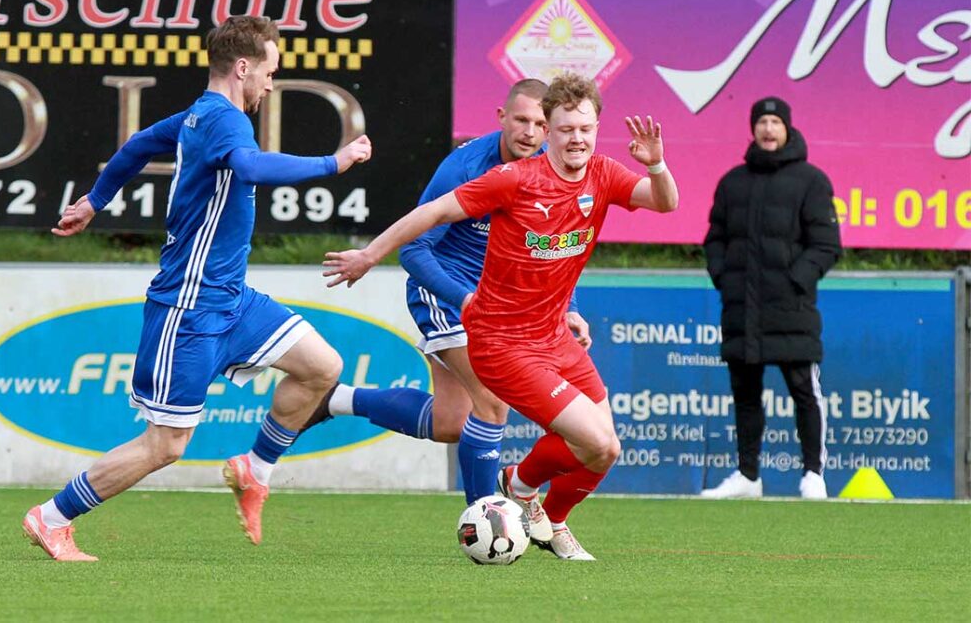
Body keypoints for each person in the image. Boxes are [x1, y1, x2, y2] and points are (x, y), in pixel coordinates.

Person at [22, 15, 386, 561]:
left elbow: (136, 146)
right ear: (243, 68)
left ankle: (253, 469)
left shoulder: (199, 116)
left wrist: (95, 201)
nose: (270, 84)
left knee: (322, 366)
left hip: (231, 299)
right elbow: (250, 166)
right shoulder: (226, 122)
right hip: (188, 308)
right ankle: (51, 518)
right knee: (165, 445)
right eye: (269, 72)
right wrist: (336, 161)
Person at [322, 73, 679, 559]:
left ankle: (543, 510)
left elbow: (665, 202)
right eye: (565, 129)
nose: (576, 138)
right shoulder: (515, 179)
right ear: (549, 132)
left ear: (597, 129)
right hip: (502, 342)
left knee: (606, 449)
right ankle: (519, 489)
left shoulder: (605, 174)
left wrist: (656, 165)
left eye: (586, 129)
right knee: (587, 438)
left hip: (553, 336)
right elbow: (429, 215)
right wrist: (369, 254)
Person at [307, 79, 591, 506]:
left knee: (452, 422)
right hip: (444, 294)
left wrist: (568, 308)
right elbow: (416, 248)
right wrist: (465, 300)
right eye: (520, 120)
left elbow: (555, 253)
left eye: (538, 123)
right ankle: (486, 517)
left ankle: (337, 399)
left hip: (498, 308)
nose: (529, 132)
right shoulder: (468, 167)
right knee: (492, 402)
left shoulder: (552, 173)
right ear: (501, 117)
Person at [701, 96, 841, 500]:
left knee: (804, 392)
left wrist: (795, 281)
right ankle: (748, 477)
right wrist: (723, 278)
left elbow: (826, 245)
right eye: (761, 121)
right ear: (753, 128)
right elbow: (715, 239)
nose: (767, 129)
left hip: (792, 309)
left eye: (774, 122)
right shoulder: (733, 182)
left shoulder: (812, 180)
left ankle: (813, 475)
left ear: (787, 128)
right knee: (745, 395)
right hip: (742, 310)